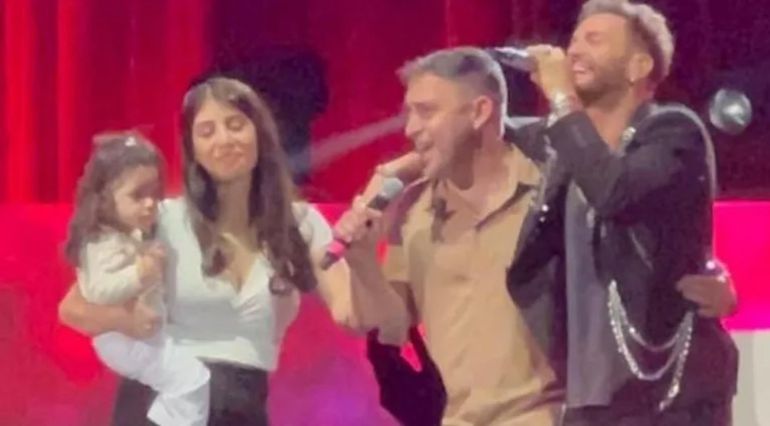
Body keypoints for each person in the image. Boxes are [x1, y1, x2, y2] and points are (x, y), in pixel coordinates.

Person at [58, 77, 353, 426]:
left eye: (235, 125)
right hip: (162, 405)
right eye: (207, 131)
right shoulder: (162, 220)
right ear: (191, 147)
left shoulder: (300, 223)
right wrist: (127, 321)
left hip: (243, 407)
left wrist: (362, 254)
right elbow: (74, 308)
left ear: (259, 132)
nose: (224, 140)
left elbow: (351, 312)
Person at [515, 0, 738, 423]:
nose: (574, 51)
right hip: (588, 401)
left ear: (638, 67)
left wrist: (562, 98)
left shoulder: (673, 131)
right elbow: (479, 129)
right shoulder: (559, 144)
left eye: (594, 40)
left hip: (666, 395)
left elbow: (615, 192)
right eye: (575, 39)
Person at [334, 47, 565, 425]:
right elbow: (392, 325)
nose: (410, 129)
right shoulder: (413, 211)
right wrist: (360, 259)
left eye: (426, 112)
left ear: (479, 112)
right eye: (409, 113)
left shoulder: (549, 189)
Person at [65, 132, 210, 426]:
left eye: (154, 194)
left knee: (192, 381)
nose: (149, 204)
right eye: (138, 195)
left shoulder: (135, 230)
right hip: (135, 344)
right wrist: (128, 308)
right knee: (191, 381)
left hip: (167, 346)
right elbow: (78, 303)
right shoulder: (113, 239)